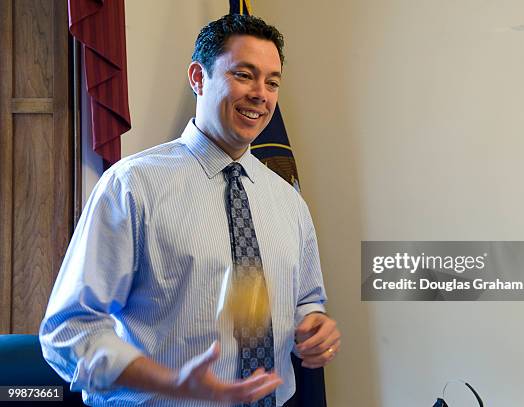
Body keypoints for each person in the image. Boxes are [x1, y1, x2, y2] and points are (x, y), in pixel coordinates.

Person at [40, 14, 340, 407]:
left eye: (272, 81)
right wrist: (170, 382)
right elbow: (69, 331)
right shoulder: (132, 186)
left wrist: (315, 326)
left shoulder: (289, 203)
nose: (261, 94)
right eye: (245, 75)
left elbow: (307, 301)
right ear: (198, 77)